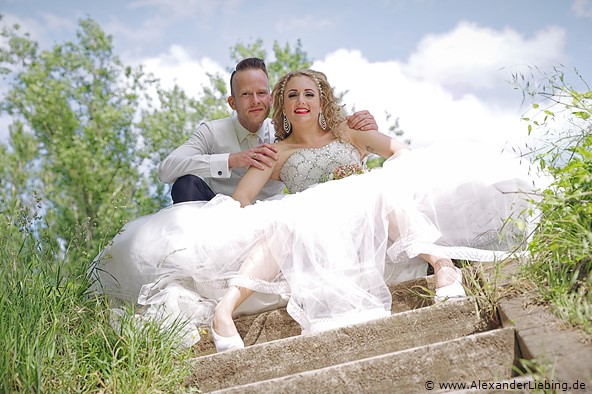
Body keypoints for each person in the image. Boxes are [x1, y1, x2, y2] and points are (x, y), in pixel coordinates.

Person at [89, 69, 547, 352]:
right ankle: (225, 311)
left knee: (381, 191)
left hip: (364, 214)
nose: (301, 101)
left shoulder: (350, 134)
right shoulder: (279, 152)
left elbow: (401, 154)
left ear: (321, 100)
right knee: (285, 218)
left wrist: (371, 174)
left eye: (309, 94)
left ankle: (443, 267)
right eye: (291, 96)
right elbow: (241, 202)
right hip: (314, 223)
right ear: (282, 108)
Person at [158, 57, 378, 203]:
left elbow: (324, 147)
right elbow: (166, 169)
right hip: (221, 213)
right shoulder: (211, 132)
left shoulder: (288, 131)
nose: (255, 101)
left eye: (261, 93)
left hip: (270, 218)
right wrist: (231, 160)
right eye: (245, 94)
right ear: (232, 102)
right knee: (185, 184)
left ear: (272, 98)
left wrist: (363, 138)